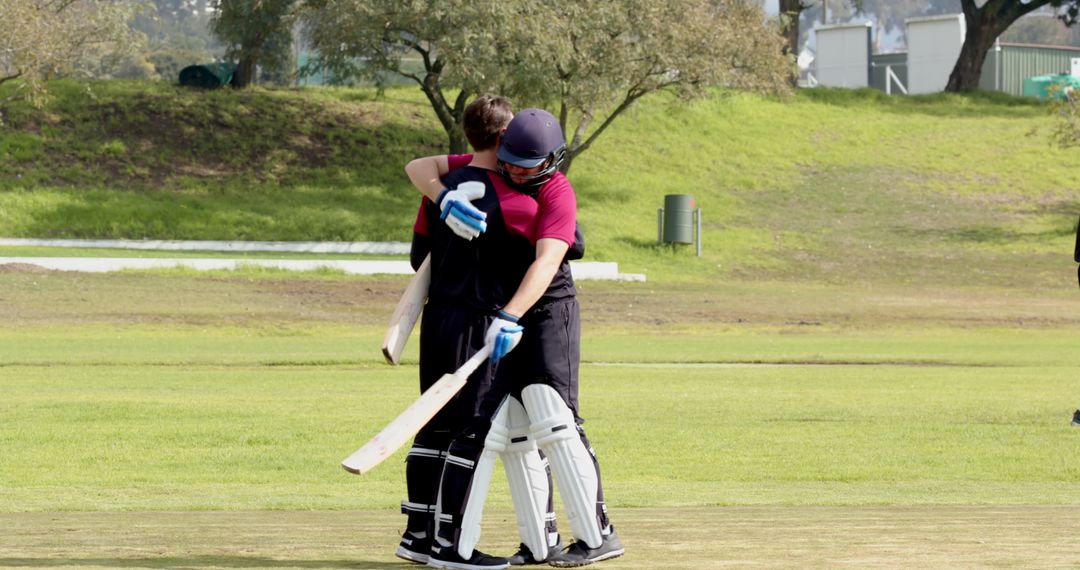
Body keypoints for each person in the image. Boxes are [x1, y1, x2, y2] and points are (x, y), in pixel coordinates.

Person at [408, 108, 623, 569]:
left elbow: (548, 261)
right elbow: (420, 166)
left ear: (552, 159)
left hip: (546, 310)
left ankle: (598, 535)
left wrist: (509, 315)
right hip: (501, 310)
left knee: (554, 416)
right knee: (513, 425)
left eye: (528, 166)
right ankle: (541, 544)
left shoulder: (557, 190)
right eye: (511, 163)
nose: (517, 172)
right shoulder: (490, 171)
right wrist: (443, 196)